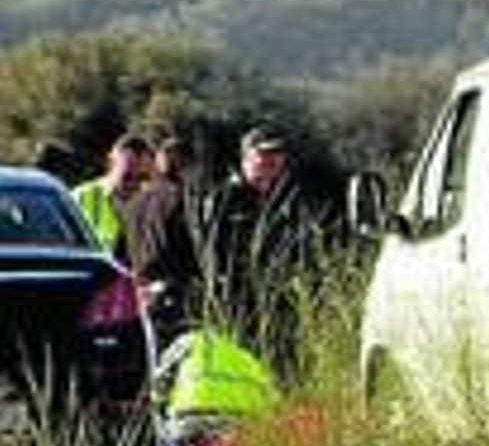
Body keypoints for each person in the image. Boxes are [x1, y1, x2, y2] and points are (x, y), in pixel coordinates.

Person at [202, 126, 334, 377]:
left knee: (290, 372)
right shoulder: (222, 199)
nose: (272, 160)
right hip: (238, 307)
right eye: (264, 154)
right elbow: (210, 257)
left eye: (278, 154)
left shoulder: (288, 197)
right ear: (246, 158)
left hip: (282, 305)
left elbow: (302, 248)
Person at [124, 135, 204, 345]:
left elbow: (120, 252)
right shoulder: (184, 200)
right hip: (174, 293)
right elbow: (192, 249)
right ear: (188, 166)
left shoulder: (133, 201)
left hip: (137, 292)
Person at [71, 133, 153, 260]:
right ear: (111, 165)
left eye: (143, 178)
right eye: (127, 177)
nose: (135, 184)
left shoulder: (155, 203)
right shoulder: (80, 197)